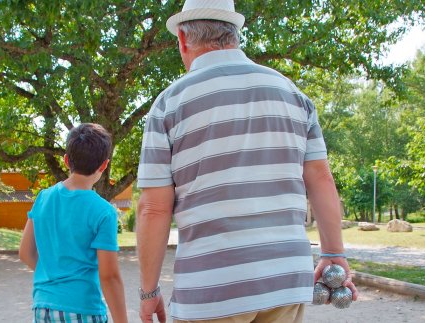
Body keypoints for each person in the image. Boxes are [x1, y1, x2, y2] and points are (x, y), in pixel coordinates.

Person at [135, 0, 358, 322]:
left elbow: (153, 208)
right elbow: (321, 178)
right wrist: (333, 253)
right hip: (284, 278)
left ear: (183, 39)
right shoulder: (292, 94)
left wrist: (148, 291)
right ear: (234, 35)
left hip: (211, 287)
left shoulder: (170, 103)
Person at [19, 123, 128, 323]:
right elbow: (109, 276)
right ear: (104, 165)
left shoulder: (43, 198)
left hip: (43, 307)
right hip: (83, 310)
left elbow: (25, 253)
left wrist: (55, 275)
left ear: (66, 160)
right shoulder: (103, 212)